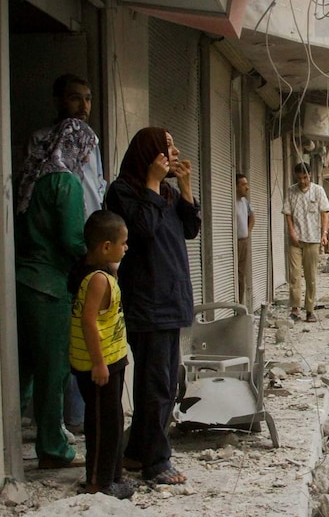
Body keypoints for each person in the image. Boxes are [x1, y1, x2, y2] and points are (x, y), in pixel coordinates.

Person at [105, 127, 200, 486]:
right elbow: (141, 230)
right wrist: (151, 183)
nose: (174, 152)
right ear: (150, 152)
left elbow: (190, 229)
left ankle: (135, 452)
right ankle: (156, 463)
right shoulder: (124, 191)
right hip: (148, 300)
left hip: (171, 296)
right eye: (167, 146)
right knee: (157, 384)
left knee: (164, 381)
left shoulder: (167, 192)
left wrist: (185, 187)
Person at [15, 117, 96, 469]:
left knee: (22, 370)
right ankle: (52, 447)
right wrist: (99, 259)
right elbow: (70, 239)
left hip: (22, 281)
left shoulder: (34, 178)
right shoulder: (67, 183)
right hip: (49, 287)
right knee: (52, 370)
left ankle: (9, 442)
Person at [29, 74, 105, 437]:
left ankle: (59, 423)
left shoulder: (64, 167)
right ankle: (57, 433)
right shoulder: (62, 179)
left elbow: (98, 192)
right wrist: (96, 260)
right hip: (62, 267)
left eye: (88, 99)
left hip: (53, 265)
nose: (84, 106)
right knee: (61, 354)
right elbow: (69, 229)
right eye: (76, 98)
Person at [68, 210, 135, 499]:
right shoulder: (96, 279)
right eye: (123, 243)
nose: (126, 248)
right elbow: (88, 321)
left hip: (112, 358)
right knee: (101, 424)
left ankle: (112, 476)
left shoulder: (101, 272)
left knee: (113, 420)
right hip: (100, 363)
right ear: (106, 246)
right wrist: (98, 363)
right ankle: (98, 483)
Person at [284, 162, 329, 323]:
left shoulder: (318, 191)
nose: (302, 181)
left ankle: (310, 310)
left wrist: (324, 234)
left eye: (305, 177)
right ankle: (295, 309)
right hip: (296, 241)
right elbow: (288, 214)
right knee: (294, 275)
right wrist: (291, 233)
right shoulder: (291, 191)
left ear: (310, 174)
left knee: (311, 276)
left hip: (313, 239)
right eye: (299, 177)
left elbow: (325, 213)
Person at [236, 173, 255, 304]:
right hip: (233, 242)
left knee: (241, 274)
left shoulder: (245, 202)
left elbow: (252, 217)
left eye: (247, 184)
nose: (247, 187)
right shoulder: (231, 201)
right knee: (234, 274)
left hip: (243, 241)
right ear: (235, 186)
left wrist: (248, 232)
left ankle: (240, 302)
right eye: (243, 184)